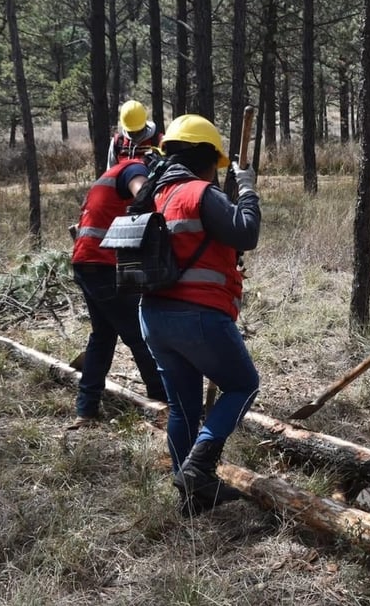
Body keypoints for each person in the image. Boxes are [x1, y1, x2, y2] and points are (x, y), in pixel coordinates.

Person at [135, 114, 261, 517]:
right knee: (243, 385)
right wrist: (248, 189)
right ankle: (199, 467)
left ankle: (190, 498)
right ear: (206, 158)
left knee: (183, 408)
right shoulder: (200, 192)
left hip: (153, 317)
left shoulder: (153, 194)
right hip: (199, 317)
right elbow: (247, 233)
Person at [70, 153, 168, 424]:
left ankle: (86, 409)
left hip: (87, 264)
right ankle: (164, 403)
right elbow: (143, 194)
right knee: (139, 334)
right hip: (103, 265)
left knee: (102, 337)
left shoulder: (111, 174)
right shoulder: (135, 170)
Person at [106, 99, 163, 169]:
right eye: (131, 131)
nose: (135, 134)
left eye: (138, 130)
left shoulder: (158, 141)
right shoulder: (117, 142)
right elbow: (111, 171)